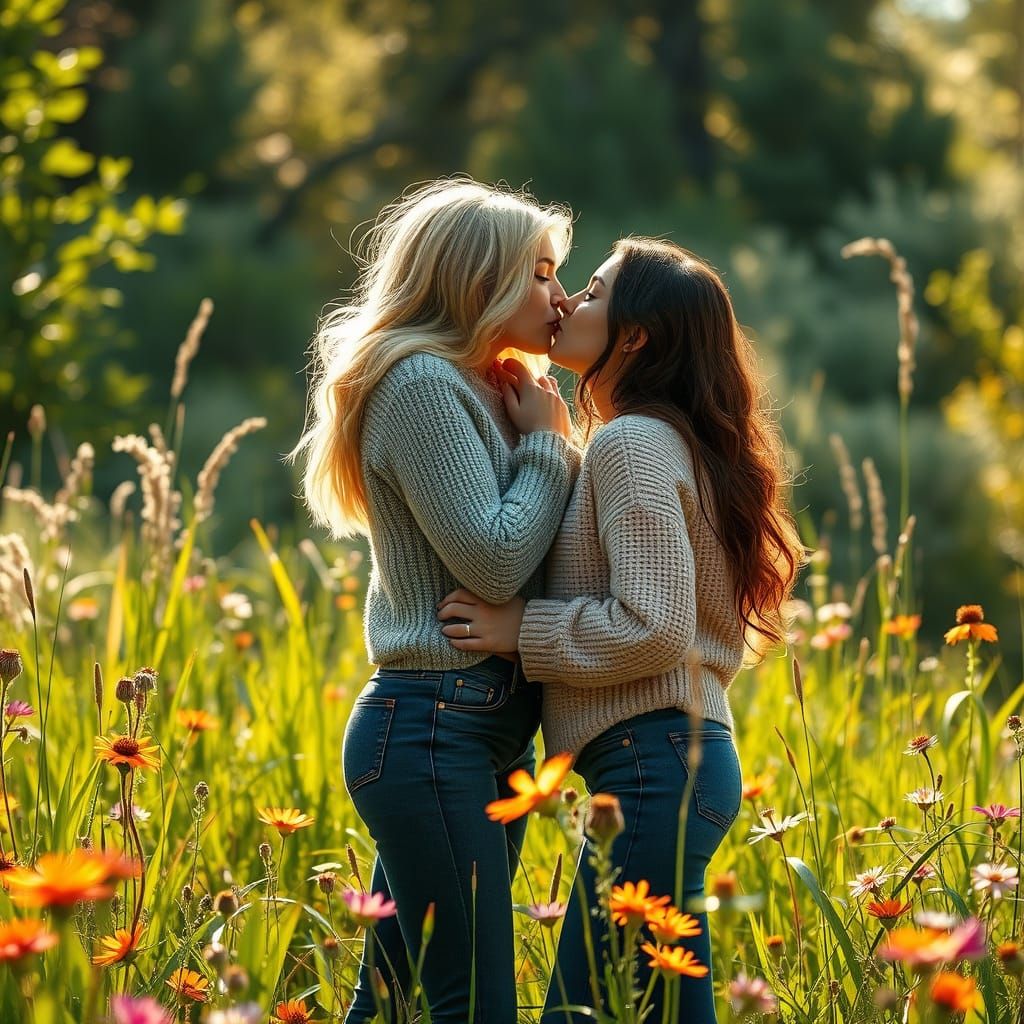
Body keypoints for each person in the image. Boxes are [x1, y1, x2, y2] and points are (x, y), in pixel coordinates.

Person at [438, 237, 804, 1022]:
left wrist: (519, 628)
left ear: (633, 336)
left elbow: (655, 626)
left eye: (594, 291)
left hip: (654, 770)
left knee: (589, 1012)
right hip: (670, 767)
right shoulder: (656, 441)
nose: (566, 300)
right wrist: (551, 438)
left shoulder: (633, 444)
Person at [290, 178, 580, 1023]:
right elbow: (493, 562)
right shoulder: (420, 385)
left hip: (479, 734)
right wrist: (550, 453)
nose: (558, 296)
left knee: (389, 1005)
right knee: (473, 1005)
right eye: (540, 274)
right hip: (431, 729)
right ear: (475, 281)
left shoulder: (496, 386)